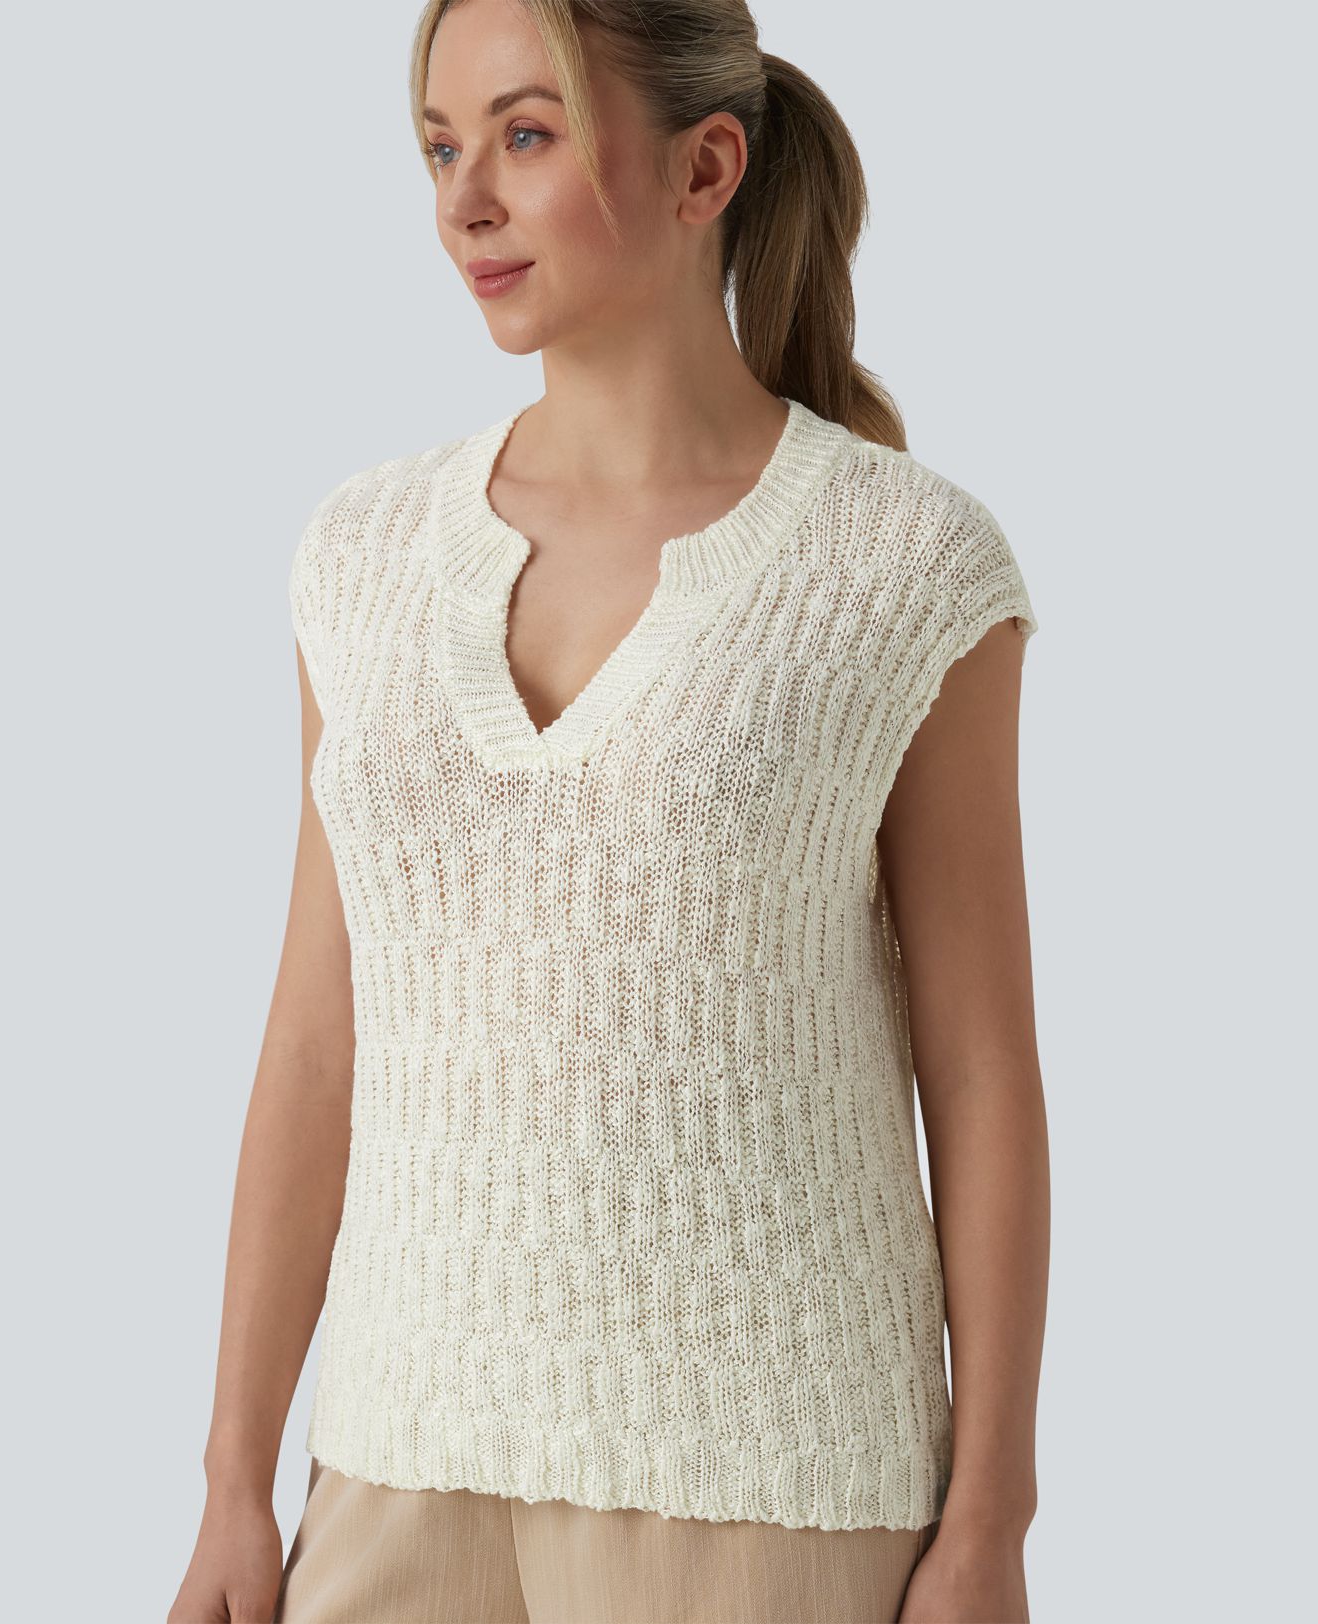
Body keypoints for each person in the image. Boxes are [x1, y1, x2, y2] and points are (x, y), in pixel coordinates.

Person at [168, 2, 1049, 1621]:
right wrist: (234, 1477)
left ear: (706, 167)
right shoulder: (360, 555)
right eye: (440, 147)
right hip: (394, 1471)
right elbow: (313, 1043)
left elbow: (981, 1068)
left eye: (526, 134)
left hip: (774, 1494)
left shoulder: (904, 566)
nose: (465, 200)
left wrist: (991, 1517)